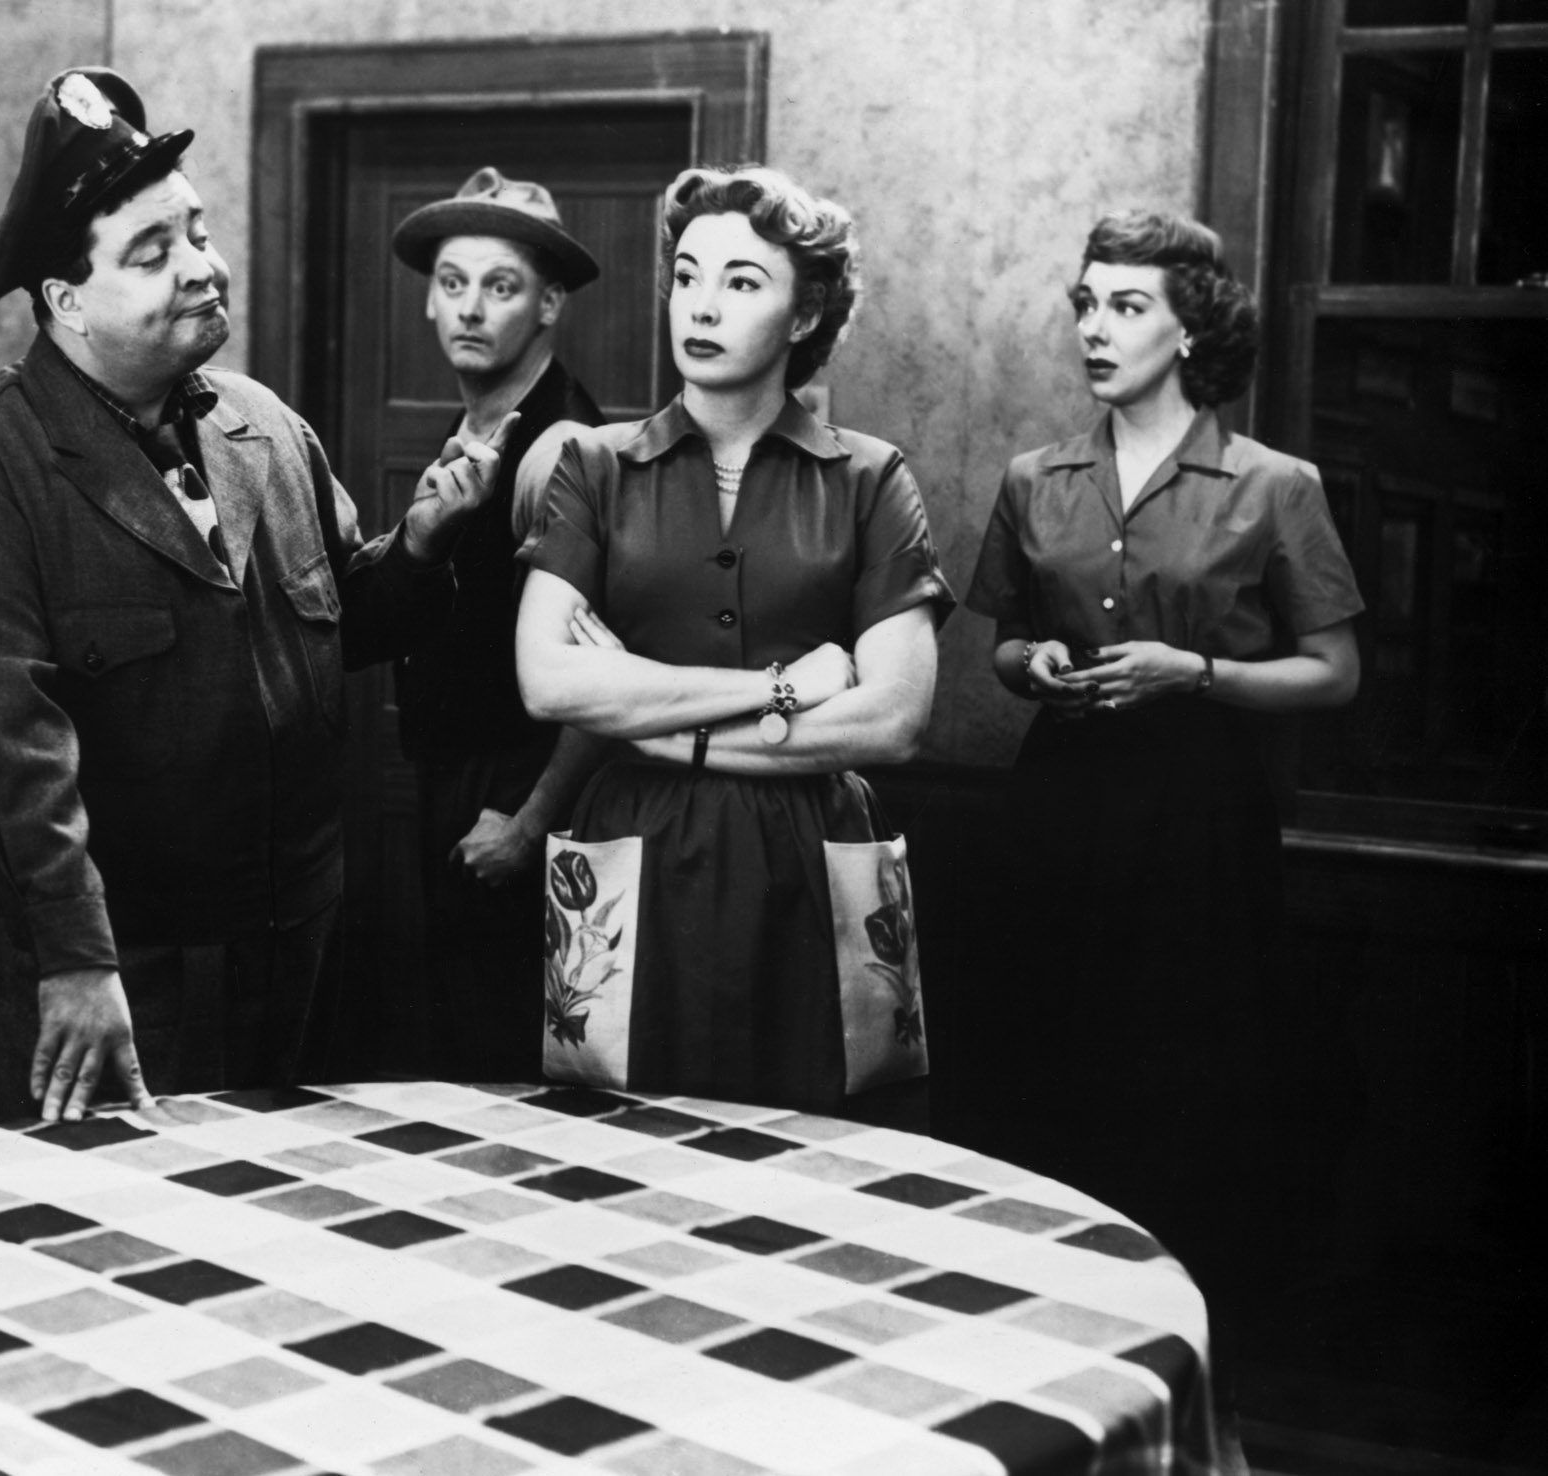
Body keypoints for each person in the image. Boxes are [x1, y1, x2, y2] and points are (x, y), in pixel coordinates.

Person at [0, 67, 510, 1124]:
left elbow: (336, 624)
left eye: (198, 232)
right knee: (102, 1221)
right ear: (65, 302)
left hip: (292, 940)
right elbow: (5, 755)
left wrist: (416, 547)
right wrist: (76, 960)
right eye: (152, 253)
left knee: (285, 1215)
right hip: (115, 968)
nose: (201, 267)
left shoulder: (262, 425)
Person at [961, 209, 1363, 1458]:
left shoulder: (1271, 485)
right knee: (1042, 1080)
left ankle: (1175, 1399)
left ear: (1190, 330)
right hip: (1056, 809)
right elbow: (1001, 643)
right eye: (1085, 302)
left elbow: (1333, 672)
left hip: (1196, 819)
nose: (1094, 327)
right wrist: (1031, 664)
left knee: (1183, 1098)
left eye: (1126, 306)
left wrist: (1195, 671)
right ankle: (1038, 1394)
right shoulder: (1034, 477)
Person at [515, 165, 953, 1115]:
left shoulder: (872, 478)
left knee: (825, 1135)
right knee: (616, 1130)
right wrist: (783, 688)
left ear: (806, 315)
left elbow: (894, 720)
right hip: (632, 843)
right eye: (686, 275)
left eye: (742, 282)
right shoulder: (593, 465)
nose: (701, 305)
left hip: (811, 849)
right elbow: (547, 681)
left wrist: (656, 717)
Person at [387, 169, 608, 1082]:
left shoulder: (561, 443)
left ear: (549, 304)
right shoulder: (479, 421)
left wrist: (528, 820)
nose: (470, 308)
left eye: (501, 286)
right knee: (457, 1055)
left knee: (510, 1071)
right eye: (452, 282)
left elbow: (603, 669)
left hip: (518, 796)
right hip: (455, 782)